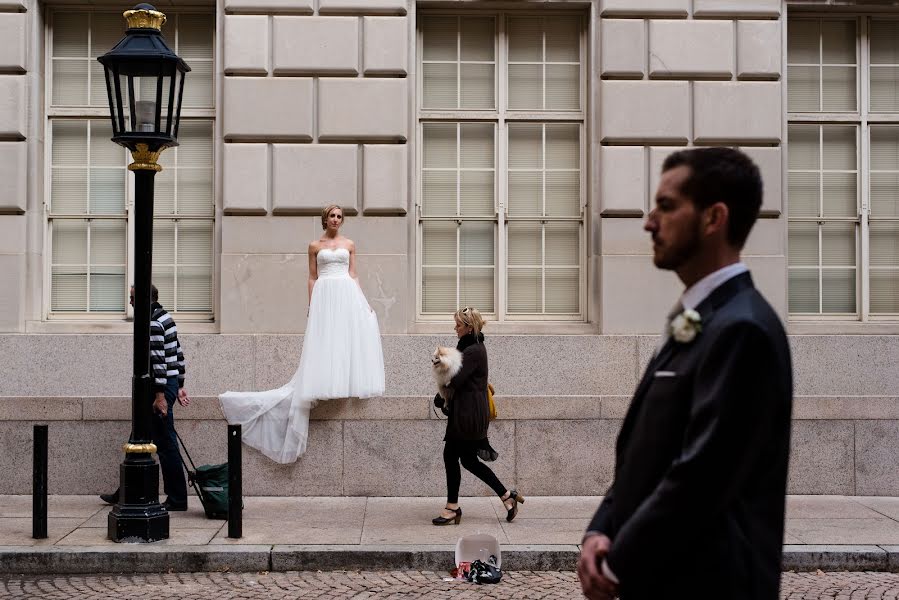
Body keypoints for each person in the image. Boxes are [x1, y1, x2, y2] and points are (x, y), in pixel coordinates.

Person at [578, 148, 793, 600]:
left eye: (668, 206)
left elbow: (701, 478)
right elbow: (647, 452)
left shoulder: (743, 329)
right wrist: (601, 528)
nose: (649, 221)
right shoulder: (703, 317)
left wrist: (616, 563)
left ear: (714, 218)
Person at [219, 205, 385, 463]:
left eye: (340, 216)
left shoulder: (349, 244)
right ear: (325, 219)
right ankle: (325, 379)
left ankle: (341, 381)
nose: (336, 219)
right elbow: (311, 277)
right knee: (326, 338)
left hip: (346, 293)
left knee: (344, 338)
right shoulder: (314, 246)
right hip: (324, 294)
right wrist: (312, 305)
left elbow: (353, 275)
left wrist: (362, 301)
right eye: (332, 215)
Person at [100, 284, 190, 511]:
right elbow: (178, 354)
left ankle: (177, 499)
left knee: (166, 444)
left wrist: (161, 396)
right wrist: (179, 385)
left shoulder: (153, 323)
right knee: (136, 440)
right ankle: (125, 492)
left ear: (143, 298)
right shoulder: (165, 317)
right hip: (166, 385)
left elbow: (159, 362)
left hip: (157, 389)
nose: (130, 302)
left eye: (132, 297)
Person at [432, 306, 524, 526]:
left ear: (469, 327)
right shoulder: (470, 347)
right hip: (467, 412)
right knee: (468, 460)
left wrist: (441, 384)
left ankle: (452, 507)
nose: (455, 328)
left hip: (468, 415)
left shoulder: (473, 351)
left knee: (452, 456)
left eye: (458, 325)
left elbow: (456, 380)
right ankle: (506, 496)